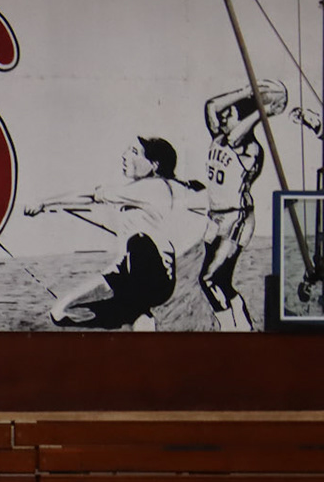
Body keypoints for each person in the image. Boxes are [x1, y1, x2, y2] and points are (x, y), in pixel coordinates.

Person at [23, 137, 198, 331]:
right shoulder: (146, 194)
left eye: (134, 152)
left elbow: (92, 195)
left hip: (156, 277)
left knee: (139, 244)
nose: (125, 156)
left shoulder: (152, 187)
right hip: (132, 272)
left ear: (154, 165)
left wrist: (44, 203)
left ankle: (123, 313)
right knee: (60, 311)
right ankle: (129, 316)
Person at [194, 83, 278, 331]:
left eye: (229, 114)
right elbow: (211, 106)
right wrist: (246, 92)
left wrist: (260, 111)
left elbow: (235, 137)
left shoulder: (250, 148)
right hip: (215, 219)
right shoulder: (220, 138)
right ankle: (243, 326)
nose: (222, 117)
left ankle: (228, 329)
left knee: (208, 278)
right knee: (222, 281)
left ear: (243, 119)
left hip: (236, 219)